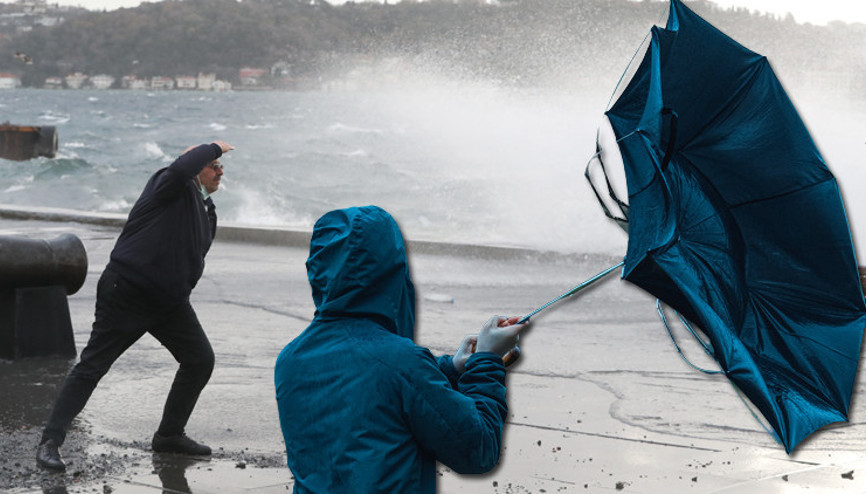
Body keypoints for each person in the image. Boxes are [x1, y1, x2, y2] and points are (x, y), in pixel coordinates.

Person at [274, 205, 528, 493]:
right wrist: (487, 361)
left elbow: (368, 388)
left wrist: (452, 368)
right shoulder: (402, 363)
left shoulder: (290, 359)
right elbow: (478, 449)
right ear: (392, 271)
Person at [36, 141, 234, 471]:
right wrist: (214, 145)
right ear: (195, 165)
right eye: (214, 164)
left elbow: (193, 255)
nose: (220, 171)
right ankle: (50, 442)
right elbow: (182, 166)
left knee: (199, 359)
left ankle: (169, 435)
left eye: (220, 166)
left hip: (169, 302)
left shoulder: (206, 209)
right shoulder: (168, 184)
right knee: (92, 366)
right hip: (127, 290)